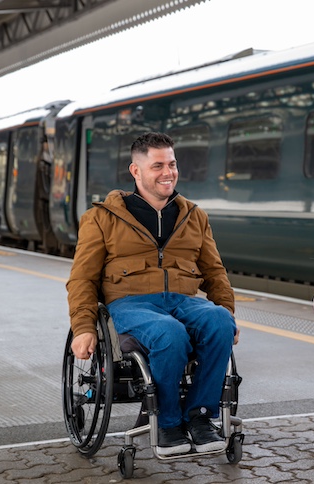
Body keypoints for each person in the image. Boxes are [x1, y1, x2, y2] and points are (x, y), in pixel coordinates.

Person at [66, 132, 237, 456]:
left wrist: (227, 311)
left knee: (219, 321)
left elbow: (214, 272)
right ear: (136, 171)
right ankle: (169, 422)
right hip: (131, 302)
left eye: (171, 164)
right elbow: (82, 278)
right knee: (168, 332)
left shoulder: (194, 215)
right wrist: (84, 327)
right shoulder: (101, 217)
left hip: (183, 300)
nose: (168, 172)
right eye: (157, 165)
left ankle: (200, 417)